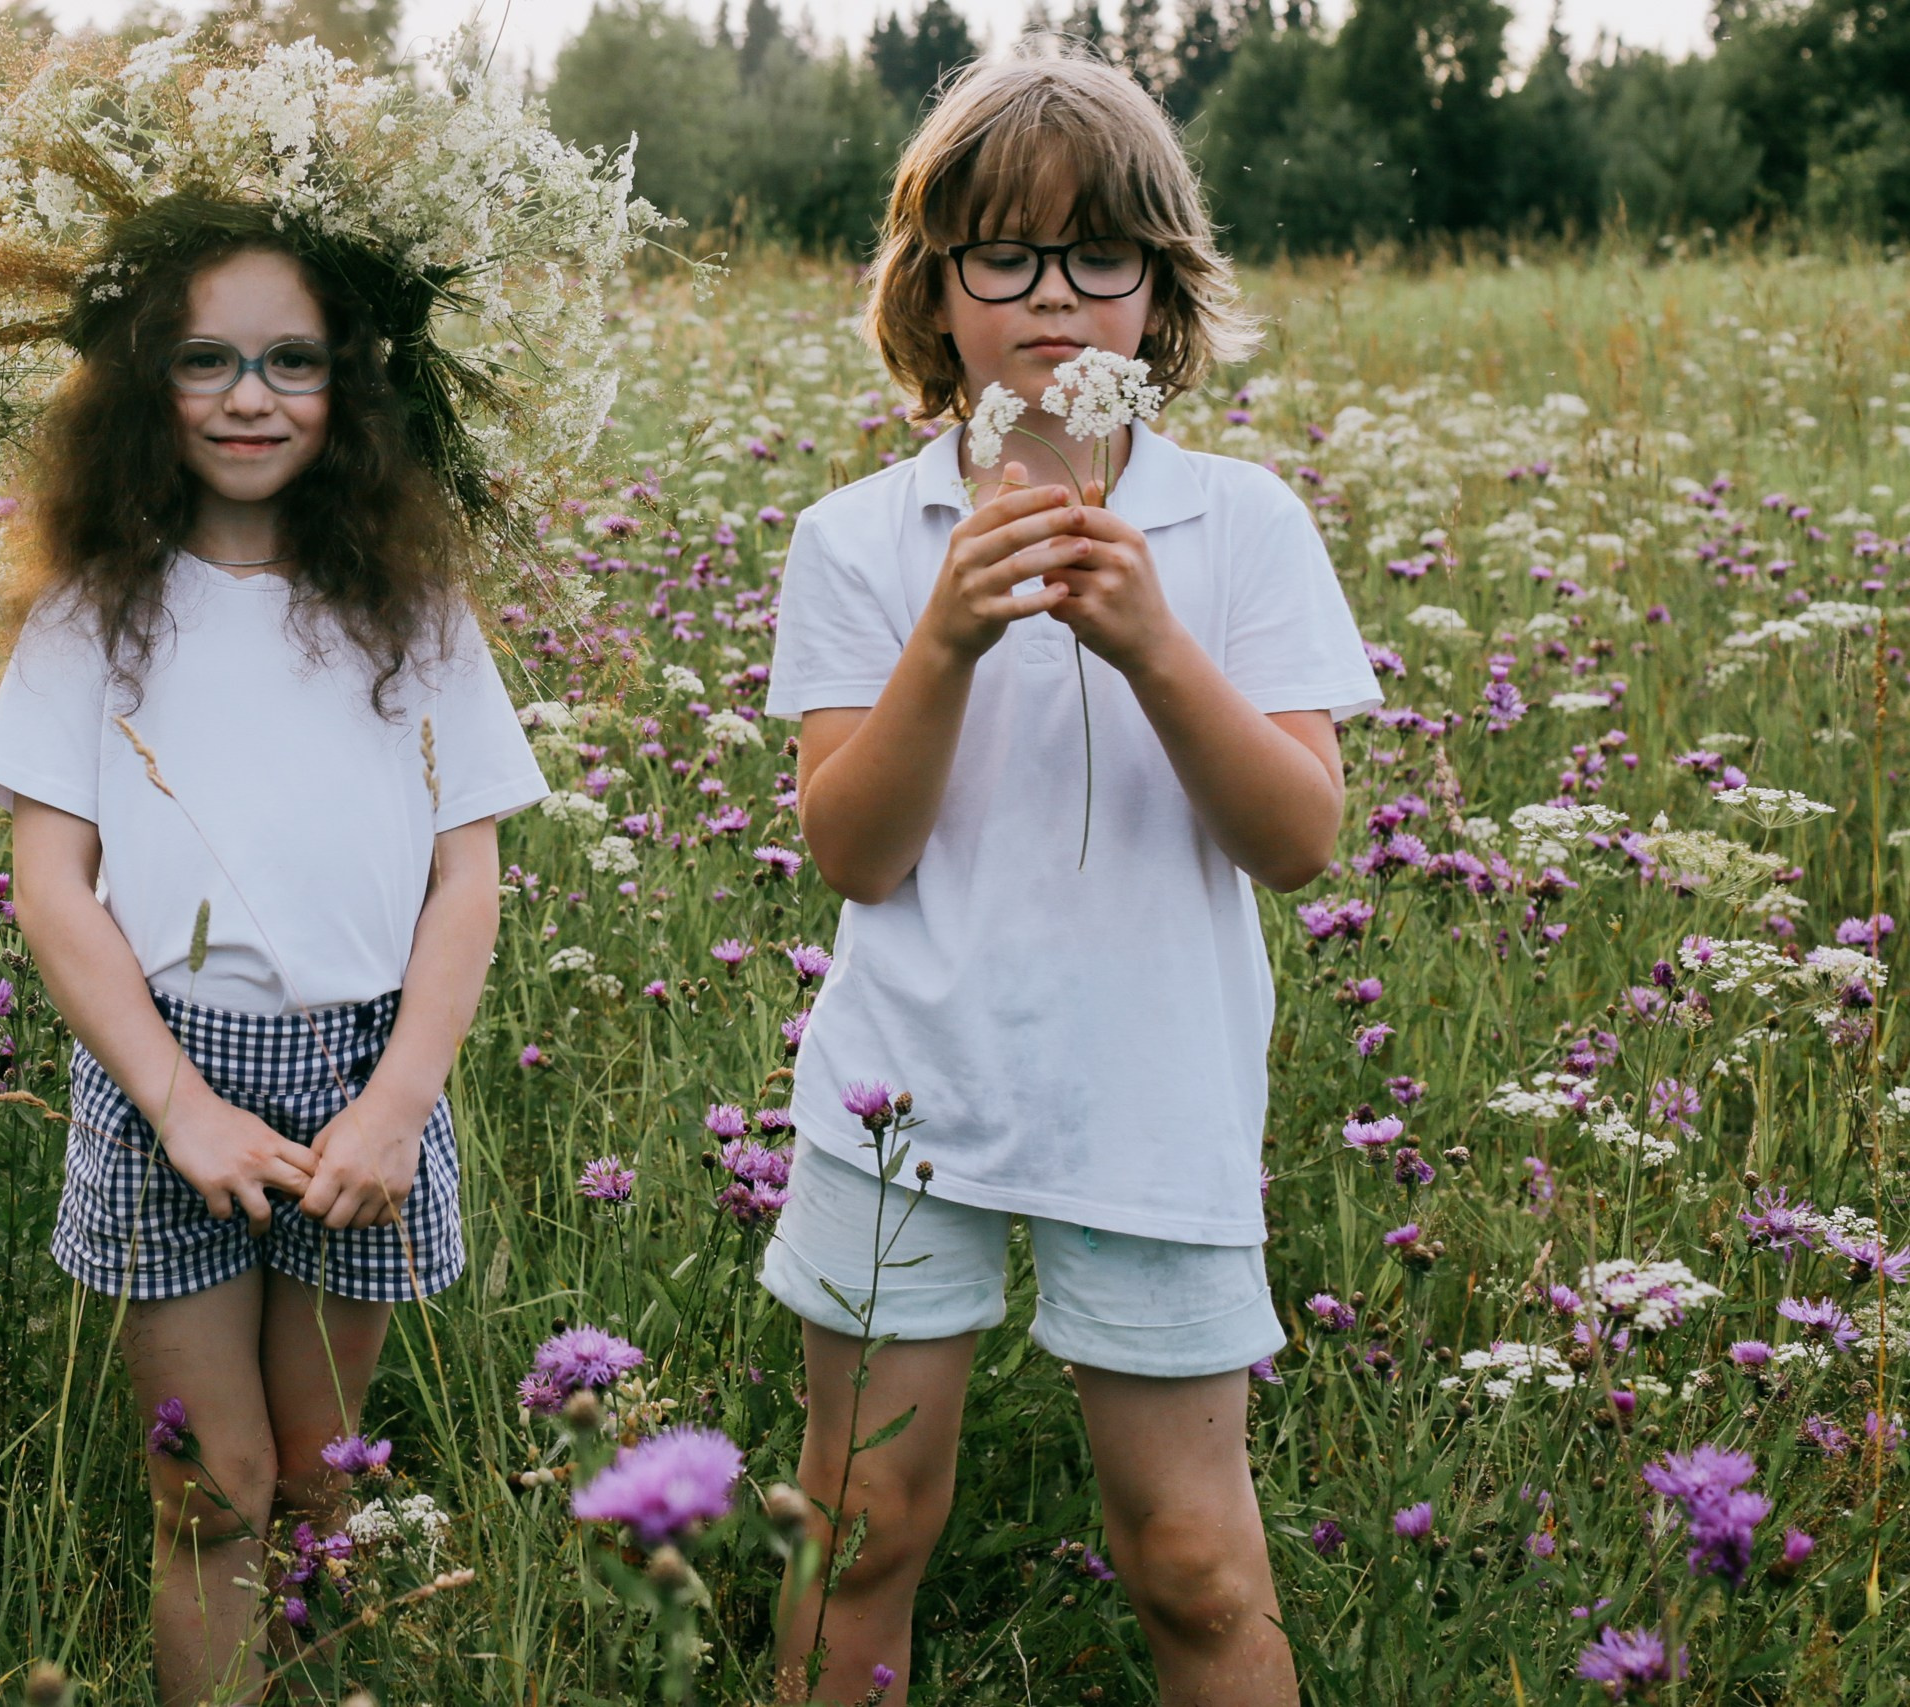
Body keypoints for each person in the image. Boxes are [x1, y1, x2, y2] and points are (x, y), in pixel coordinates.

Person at [757, 45, 1384, 1707]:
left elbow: (1300, 838)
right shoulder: (862, 537)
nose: (1054, 301)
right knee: (862, 1522)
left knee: (1191, 1558)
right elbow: (855, 848)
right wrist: (949, 638)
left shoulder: (1237, 525)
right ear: (934, 289)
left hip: (1152, 1090)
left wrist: (1154, 644)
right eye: (1005, 258)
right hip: (904, 1086)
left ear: (1160, 294)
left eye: (1100, 257)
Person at [0, 234, 548, 1703]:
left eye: (293, 361)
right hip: (167, 1080)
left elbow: (463, 876)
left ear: (349, 389)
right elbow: (52, 885)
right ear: (143, 388)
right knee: (210, 1490)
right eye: (206, 360)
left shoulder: (410, 611)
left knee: (316, 1481)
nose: (250, 397)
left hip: (366, 1081)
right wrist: (177, 1103)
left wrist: (402, 1101)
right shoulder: (92, 614)